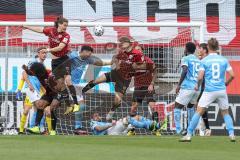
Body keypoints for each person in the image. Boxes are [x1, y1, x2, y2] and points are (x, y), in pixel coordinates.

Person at [24, 16, 79, 135]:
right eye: (64, 25)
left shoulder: (66, 36)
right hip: (55, 64)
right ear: (58, 24)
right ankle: (37, 128)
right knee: (41, 104)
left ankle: (74, 104)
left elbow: (60, 47)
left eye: (66, 25)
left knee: (67, 81)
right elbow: (40, 30)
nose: (65, 27)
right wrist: (27, 26)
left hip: (64, 60)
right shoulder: (50, 31)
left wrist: (48, 50)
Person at [180, 38, 235, 142]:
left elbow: (200, 77)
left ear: (208, 47)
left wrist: (197, 85)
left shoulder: (205, 60)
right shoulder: (223, 60)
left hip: (209, 90)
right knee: (225, 113)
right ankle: (231, 134)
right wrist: (226, 83)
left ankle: (188, 135)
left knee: (198, 112)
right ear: (217, 47)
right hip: (221, 90)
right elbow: (232, 75)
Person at [82, 36, 145, 120]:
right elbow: (115, 57)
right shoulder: (124, 52)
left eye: (140, 49)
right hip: (115, 73)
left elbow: (140, 67)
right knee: (96, 81)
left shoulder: (139, 56)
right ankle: (82, 92)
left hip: (124, 80)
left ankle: (112, 111)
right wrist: (117, 65)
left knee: (117, 101)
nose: (122, 44)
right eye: (121, 43)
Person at [65, 45, 112, 135]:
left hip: (76, 85)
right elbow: (62, 61)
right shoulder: (73, 56)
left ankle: (77, 128)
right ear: (84, 52)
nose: (90, 56)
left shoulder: (88, 59)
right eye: (89, 53)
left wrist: (111, 62)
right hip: (66, 83)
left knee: (81, 106)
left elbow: (99, 63)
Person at [16, 47, 47, 134]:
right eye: (43, 52)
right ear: (38, 53)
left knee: (40, 109)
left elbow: (40, 80)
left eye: (45, 53)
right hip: (31, 90)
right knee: (28, 110)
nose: (44, 54)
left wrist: (45, 90)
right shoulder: (33, 62)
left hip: (38, 90)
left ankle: (38, 129)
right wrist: (22, 88)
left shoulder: (43, 65)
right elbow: (24, 73)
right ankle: (25, 129)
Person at [173, 42, 201, 134]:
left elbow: (184, 70)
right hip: (197, 88)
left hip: (187, 87)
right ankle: (191, 131)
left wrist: (178, 85)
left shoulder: (185, 58)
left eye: (185, 48)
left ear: (186, 49)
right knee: (190, 107)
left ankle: (178, 130)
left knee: (177, 107)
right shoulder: (198, 60)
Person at [130, 45, 159, 121]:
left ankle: (156, 128)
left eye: (139, 49)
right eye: (135, 50)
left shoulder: (148, 60)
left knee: (152, 106)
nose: (137, 51)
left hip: (148, 86)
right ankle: (131, 129)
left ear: (142, 51)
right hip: (138, 87)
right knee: (133, 108)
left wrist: (152, 84)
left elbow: (155, 72)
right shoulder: (132, 62)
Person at [90, 112, 166, 136]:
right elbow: (98, 129)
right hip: (110, 132)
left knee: (137, 117)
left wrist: (115, 122)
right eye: (95, 116)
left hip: (115, 131)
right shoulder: (93, 122)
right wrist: (110, 124)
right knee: (128, 119)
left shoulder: (102, 122)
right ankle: (155, 127)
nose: (97, 116)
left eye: (98, 115)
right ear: (92, 117)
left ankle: (154, 125)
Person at [197, 43, 211, 136]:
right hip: (207, 87)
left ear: (205, 50)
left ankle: (206, 129)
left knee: (200, 106)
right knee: (201, 107)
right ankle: (205, 128)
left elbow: (200, 76)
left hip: (207, 87)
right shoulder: (204, 60)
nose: (199, 50)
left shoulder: (206, 60)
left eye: (200, 48)